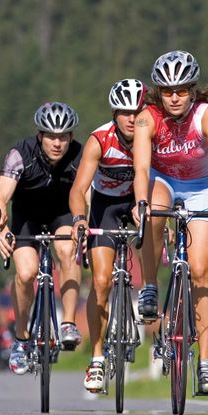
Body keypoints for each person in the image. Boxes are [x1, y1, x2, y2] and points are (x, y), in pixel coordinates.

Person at [132, 51, 208, 395]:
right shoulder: (147, 118)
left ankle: (205, 362)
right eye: (167, 91)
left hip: (200, 187)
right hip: (163, 182)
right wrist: (140, 203)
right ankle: (149, 284)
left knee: (200, 270)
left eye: (181, 90)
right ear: (158, 92)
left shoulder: (207, 116)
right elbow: (142, 170)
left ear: (192, 90)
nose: (174, 97)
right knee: (154, 207)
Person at [68, 79, 146, 392]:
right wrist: (78, 219)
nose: (130, 118)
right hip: (106, 206)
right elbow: (78, 189)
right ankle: (98, 358)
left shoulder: (149, 136)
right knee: (100, 282)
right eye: (124, 112)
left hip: (140, 199)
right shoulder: (99, 140)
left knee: (154, 234)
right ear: (115, 113)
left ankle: (152, 294)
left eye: (137, 111)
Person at [0, 102, 84, 375]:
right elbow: (0, 198)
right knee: (25, 273)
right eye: (51, 136)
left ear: (71, 137)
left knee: (67, 250)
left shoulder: (80, 155)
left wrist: (85, 226)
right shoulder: (20, 154)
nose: (57, 143)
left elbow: (86, 195)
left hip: (63, 214)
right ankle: (21, 340)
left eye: (63, 136)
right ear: (40, 136)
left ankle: (68, 323)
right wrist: (1, 229)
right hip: (27, 217)